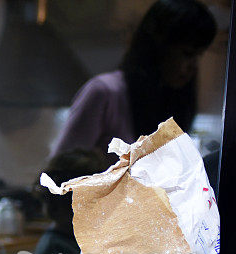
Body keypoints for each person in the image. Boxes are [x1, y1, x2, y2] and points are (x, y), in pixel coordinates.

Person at [51, 0, 216, 160]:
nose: (193, 67)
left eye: (198, 55)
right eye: (187, 53)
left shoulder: (169, 102)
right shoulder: (104, 93)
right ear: (158, 47)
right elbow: (60, 174)